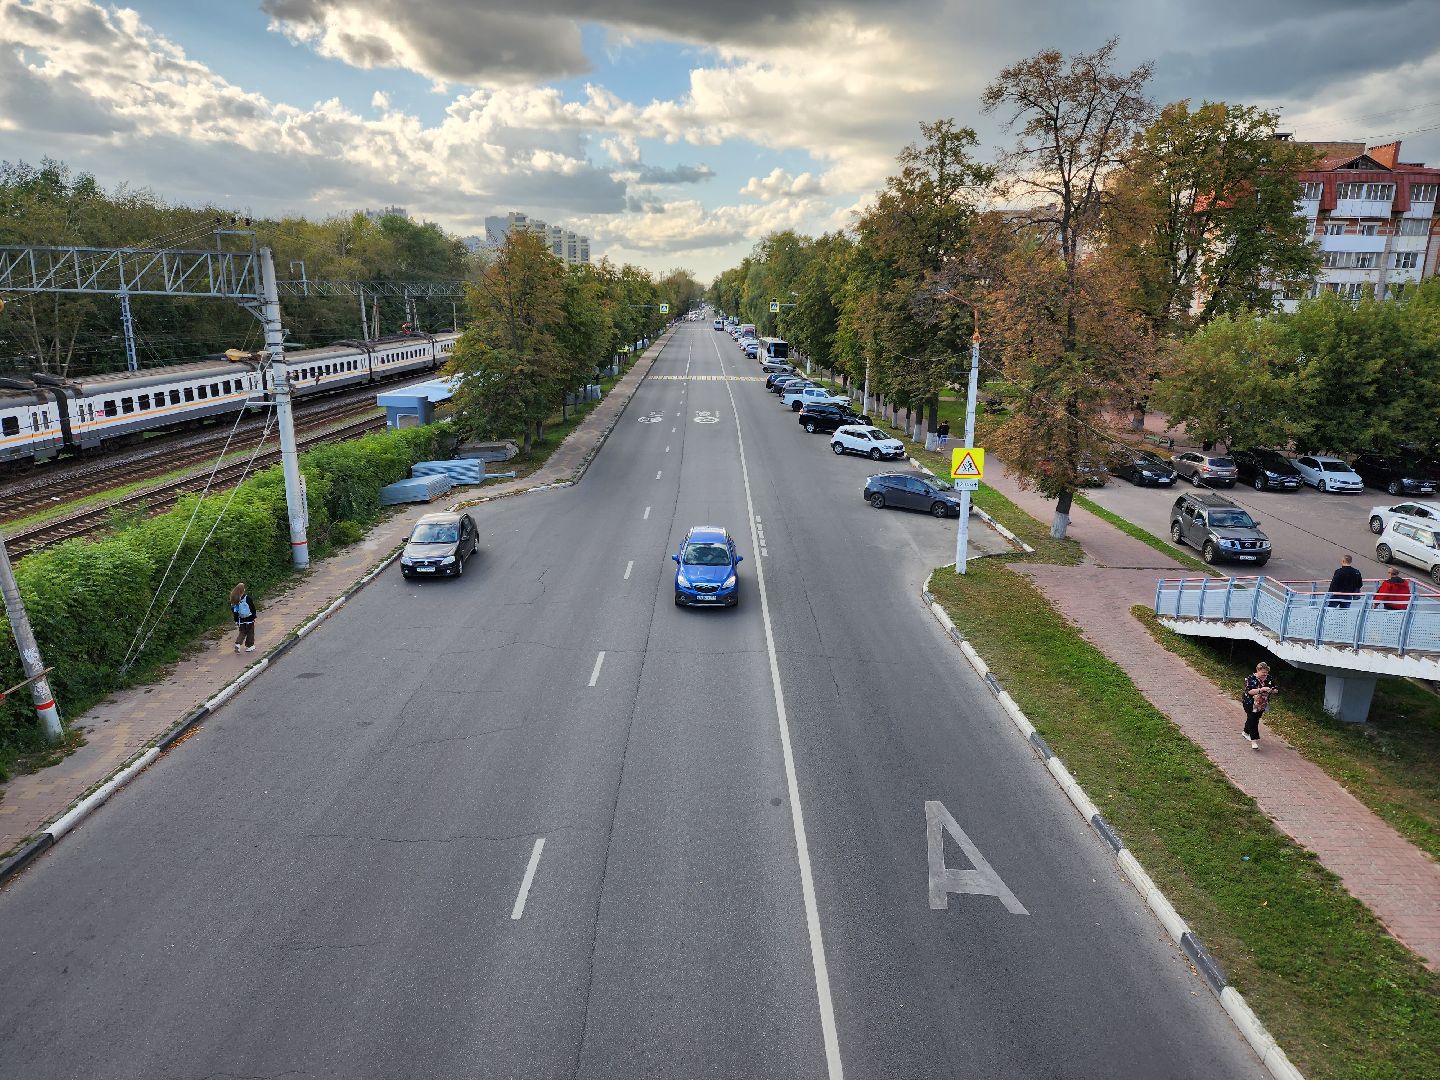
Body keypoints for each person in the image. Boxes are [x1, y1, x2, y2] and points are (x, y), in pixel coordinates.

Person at [1241, 661, 1277, 751]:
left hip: (1262, 703)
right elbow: (1249, 691)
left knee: (1254, 718)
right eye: (1263, 672)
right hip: (1249, 702)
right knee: (1253, 719)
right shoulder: (1250, 678)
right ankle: (1254, 741)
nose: (1265, 674)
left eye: (1266, 673)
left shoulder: (1269, 678)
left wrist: (1271, 690)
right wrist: (1261, 690)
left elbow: (1276, 689)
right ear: (1258, 670)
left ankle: (1245, 732)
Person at [230, 583, 257, 653]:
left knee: (242, 632)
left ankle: (238, 643)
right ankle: (249, 646)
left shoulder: (234, 599)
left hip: (240, 619)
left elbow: (234, 611)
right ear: (242, 590)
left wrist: (236, 620)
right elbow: (252, 608)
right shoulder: (247, 598)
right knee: (250, 632)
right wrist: (254, 616)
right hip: (249, 619)